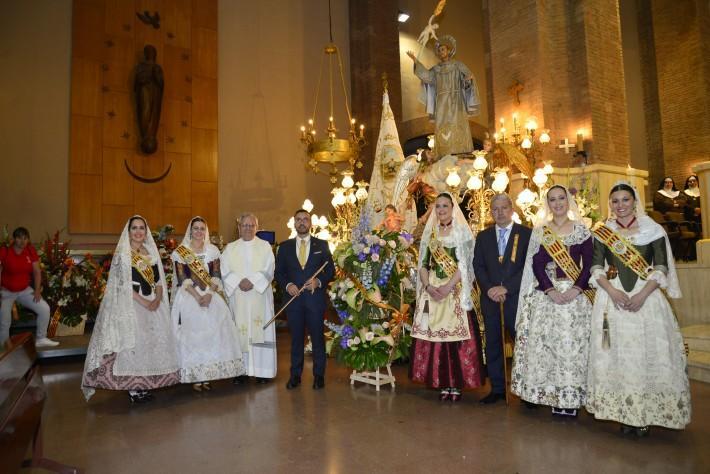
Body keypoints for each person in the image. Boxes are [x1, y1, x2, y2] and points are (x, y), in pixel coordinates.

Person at [586, 182, 691, 437]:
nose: (620, 205)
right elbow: (596, 267)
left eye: (625, 200)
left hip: (647, 298)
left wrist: (642, 295)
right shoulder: (603, 232)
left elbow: (662, 267)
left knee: (646, 354)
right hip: (613, 300)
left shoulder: (652, 230)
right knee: (617, 355)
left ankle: (646, 413)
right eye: (615, 201)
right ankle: (624, 412)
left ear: (635, 201)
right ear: (610, 204)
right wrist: (612, 292)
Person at [511, 185, 593, 416]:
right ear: (548, 204)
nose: (557, 203)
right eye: (553, 200)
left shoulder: (581, 230)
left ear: (568, 201)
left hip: (575, 297)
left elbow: (589, 263)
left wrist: (576, 289)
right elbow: (537, 264)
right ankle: (551, 395)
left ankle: (571, 398)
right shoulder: (541, 231)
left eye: (561, 198)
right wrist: (550, 290)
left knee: (572, 349)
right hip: (547, 295)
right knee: (548, 347)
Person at [82, 216, 180, 403]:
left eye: (141, 228)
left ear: (146, 231)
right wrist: (144, 302)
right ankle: (133, 389)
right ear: (128, 232)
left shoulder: (150, 252)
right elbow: (122, 285)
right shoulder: (123, 254)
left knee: (149, 345)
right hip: (132, 303)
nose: (138, 232)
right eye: (134, 228)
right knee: (133, 345)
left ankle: (144, 384)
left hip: (153, 303)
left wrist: (157, 298)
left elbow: (158, 281)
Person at [410, 192, 483, 401]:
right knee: (434, 336)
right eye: (438, 206)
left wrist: (449, 286)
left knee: (455, 339)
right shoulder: (431, 233)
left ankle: (456, 384)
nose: (441, 210)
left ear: (453, 208)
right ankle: (441, 381)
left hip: (454, 289)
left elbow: (465, 265)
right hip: (432, 288)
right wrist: (427, 286)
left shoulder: (462, 232)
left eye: (445, 206)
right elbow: (423, 264)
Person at [171, 217, 245, 391]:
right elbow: (182, 278)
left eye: (202, 228)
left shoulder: (212, 251)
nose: (199, 231)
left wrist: (210, 295)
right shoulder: (181, 252)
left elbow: (216, 275)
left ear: (206, 231)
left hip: (211, 296)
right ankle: (196, 376)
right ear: (190, 231)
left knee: (212, 337)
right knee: (193, 339)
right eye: (196, 228)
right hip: (190, 296)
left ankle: (208, 374)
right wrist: (198, 297)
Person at [473, 193, 532, 404]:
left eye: (504, 208)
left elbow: (529, 266)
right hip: (490, 299)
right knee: (493, 345)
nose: (500, 212)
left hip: (516, 298)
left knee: (522, 345)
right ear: (491, 212)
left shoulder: (526, 234)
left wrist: (507, 287)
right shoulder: (483, 236)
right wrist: (489, 288)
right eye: (495, 209)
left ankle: (526, 392)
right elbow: (478, 265)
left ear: (511, 210)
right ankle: (497, 389)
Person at [275, 208, 335, 390]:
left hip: (315, 301)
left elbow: (330, 271)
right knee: (296, 340)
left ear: (310, 223)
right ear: (294, 223)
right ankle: (295, 375)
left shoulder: (322, 245)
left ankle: (319, 376)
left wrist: (318, 281)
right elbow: (279, 272)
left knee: (317, 339)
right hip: (293, 302)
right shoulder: (284, 247)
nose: (302, 222)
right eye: (298, 219)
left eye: (305, 219)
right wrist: (288, 285)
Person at [221, 213, 277, 384]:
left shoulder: (265, 246)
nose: (248, 228)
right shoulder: (230, 248)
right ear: (239, 228)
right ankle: (241, 372)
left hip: (259, 295)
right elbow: (225, 270)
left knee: (261, 332)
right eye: (244, 225)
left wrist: (252, 281)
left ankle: (262, 372)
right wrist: (239, 282)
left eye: (251, 225)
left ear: (256, 228)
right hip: (238, 297)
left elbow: (269, 268)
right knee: (239, 332)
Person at [406, 35, 480, 158]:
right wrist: (415, 60)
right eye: (439, 50)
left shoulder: (458, 66)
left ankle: (461, 153)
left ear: (449, 51)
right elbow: (426, 76)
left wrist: (468, 81)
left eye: (443, 49)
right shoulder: (436, 70)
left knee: (458, 126)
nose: (441, 52)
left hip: (456, 102)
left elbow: (468, 80)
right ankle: (443, 154)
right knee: (442, 127)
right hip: (441, 103)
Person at [0, 227, 58, 348]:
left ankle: (41, 338)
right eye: (19, 238)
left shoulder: (30, 251)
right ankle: (3, 346)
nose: (23, 241)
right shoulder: (5, 251)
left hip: (24, 290)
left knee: (44, 309)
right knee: (5, 320)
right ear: (14, 239)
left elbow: (37, 272)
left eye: (25, 238)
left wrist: (37, 291)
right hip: (7, 292)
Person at [134, 44, 164, 154]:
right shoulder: (141, 66)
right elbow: (137, 81)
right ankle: (146, 134)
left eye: (152, 52)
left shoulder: (157, 67)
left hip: (155, 93)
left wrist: (156, 75)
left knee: (154, 112)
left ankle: (150, 134)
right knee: (145, 110)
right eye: (148, 52)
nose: (150, 54)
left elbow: (161, 83)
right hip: (144, 91)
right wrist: (143, 79)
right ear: (146, 54)